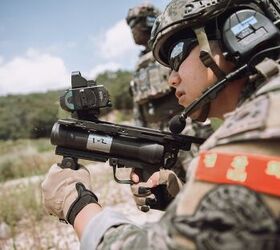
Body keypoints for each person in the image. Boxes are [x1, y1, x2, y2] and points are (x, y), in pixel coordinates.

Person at [42, 0, 280, 249]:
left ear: (239, 33)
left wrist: (78, 206)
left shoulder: (265, 127)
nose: (172, 78)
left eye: (177, 55)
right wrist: (187, 196)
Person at [126, 3, 213, 212]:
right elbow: (139, 105)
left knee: (203, 187)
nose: (133, 30)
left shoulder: (170, 53)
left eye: (135, 23)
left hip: (185, 131)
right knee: (170, 195)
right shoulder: (140, 65)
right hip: (158, 137)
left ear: (149, 21)